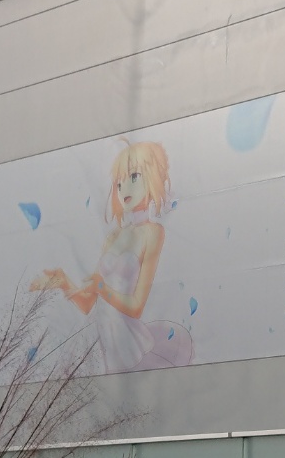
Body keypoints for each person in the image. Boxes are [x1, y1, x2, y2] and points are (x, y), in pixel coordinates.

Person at [28, 139, 192, 372]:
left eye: (134, 177)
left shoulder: (153, 233)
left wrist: (102, 288)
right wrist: (63, 282)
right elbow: (88, 304)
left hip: (134, 351)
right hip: (110, 357)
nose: (124, 189)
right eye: (119, 183)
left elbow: (136, 306)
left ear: (152, 177)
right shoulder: (113, 237)